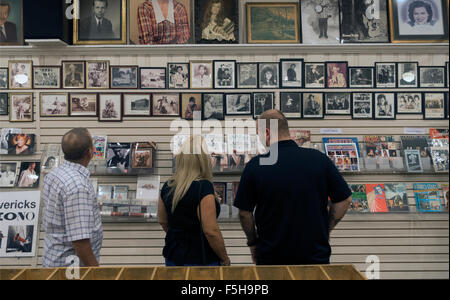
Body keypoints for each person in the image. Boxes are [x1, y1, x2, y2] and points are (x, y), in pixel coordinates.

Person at [234, 110, 352, 265]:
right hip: (315, 256)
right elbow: (345, 200)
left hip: (272, 258)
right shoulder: (319, 159)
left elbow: (244, 213)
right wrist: (327, 228)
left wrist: (253, 243)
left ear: (267, 132)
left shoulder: (255, 166)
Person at [158, 135, 230, 266]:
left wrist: (180, 236)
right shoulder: (203, 187)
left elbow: (162, 220)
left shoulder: (167, 186)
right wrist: (225, 258)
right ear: (202, 160)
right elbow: (211, 231)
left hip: (173, 255)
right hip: (201, 259)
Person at [42, 128, 102, 267]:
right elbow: (80, 241)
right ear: (90, 153)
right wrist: (96, 272)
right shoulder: (77, 186)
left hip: (54, 258)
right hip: (70, 267)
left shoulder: (55, 174)